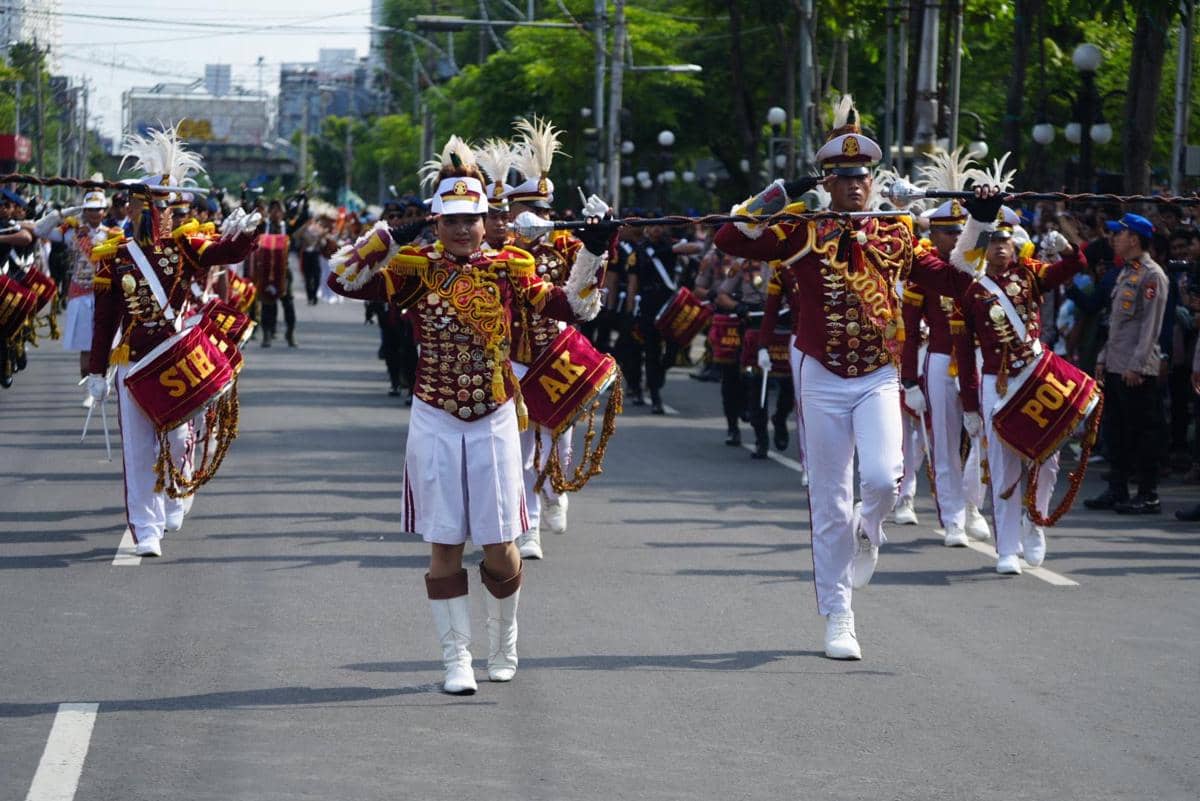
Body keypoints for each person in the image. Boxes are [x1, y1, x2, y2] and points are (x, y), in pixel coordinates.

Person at [326, 136, 609, 694]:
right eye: (451, 220)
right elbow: (342, 280)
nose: (462, 229)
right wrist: (385, 237)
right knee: (446, 542)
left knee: (502, 547)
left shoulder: (510, 268)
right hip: (433, 414)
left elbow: (571, 306)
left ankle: (503, 642)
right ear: (436, 223)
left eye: (472, 219)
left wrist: (593, 254)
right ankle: (455, 659)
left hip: (496, 414)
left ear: (485, 220)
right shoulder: (412, 269)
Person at [714, 95, 914, 659]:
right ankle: (838, 614)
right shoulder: (802, 230)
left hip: (876, 372)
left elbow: (947, 270)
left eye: (862, 177)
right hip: (821, 372)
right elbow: (729, 239)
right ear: (827, 181)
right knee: (829, 499)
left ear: (874, 182)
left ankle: (868, 529)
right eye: (843, 177)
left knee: (883, 480)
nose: (855, 186)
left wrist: (978, 216)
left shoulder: (896, 233)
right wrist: (780, 195)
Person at [86, 126, 260, 557]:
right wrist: (95, 370)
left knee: (180, 438)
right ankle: (146, 528)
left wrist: (245, 234)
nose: (161, 214)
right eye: (153, 206)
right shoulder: (115, 255)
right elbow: (104, 317)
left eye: (167, 206)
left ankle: (177, 494)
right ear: (137, 208)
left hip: (175, 357)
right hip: (134, 361)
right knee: (138, 448)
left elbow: (226, 254)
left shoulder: (185, 247)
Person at [918, 187, 1087, 575]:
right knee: (1004, 464)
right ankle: (1006, 548)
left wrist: (1066, 247)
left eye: (1005, 241)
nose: (999, 248)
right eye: (991, 241)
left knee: (1049, 460)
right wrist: (973, 406)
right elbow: (963, 350)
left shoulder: (1031, 275)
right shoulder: (970, 288)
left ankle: (1036, 521)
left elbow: (1073, 266)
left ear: (1015, 245)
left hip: (1037, 378)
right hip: (997, 383)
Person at [899, 153, 992, 546]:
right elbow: (905, 327)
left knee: (987, 437)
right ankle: (953, 517)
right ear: (933, 235)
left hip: (985, 363)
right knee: (943, 442)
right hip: (939, 360)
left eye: (961, 231)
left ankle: (974, 504)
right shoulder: (925, 273)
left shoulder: (985, 269)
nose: (956, 238)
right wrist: (908, 380)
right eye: (949, 233)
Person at [1083, 213, 1169, 514]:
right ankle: (1117, 489)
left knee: (1143, 432)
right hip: (1117, 363)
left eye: (1119, 234)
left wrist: (1137, 364)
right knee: (1117, 431)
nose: (1114, 239)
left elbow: (1150, 326)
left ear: (1134, 238)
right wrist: (1104, 358)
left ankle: (1148, 493)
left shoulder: (1152, 274)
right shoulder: (1126, 272)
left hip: (1137, 368)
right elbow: (1118, 324)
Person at [33, 183, 121, 406]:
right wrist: (62, 214)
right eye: (90, 209)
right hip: (80, 293)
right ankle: (89, 389)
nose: (94, 213)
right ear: (85, 211)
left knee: (106, 343)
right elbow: (39, 230)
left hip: (105, 293)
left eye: (98, 209)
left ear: (104, 211)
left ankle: (102, 383)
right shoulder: (72, 231)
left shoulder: (113, 234)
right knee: (85, 344)